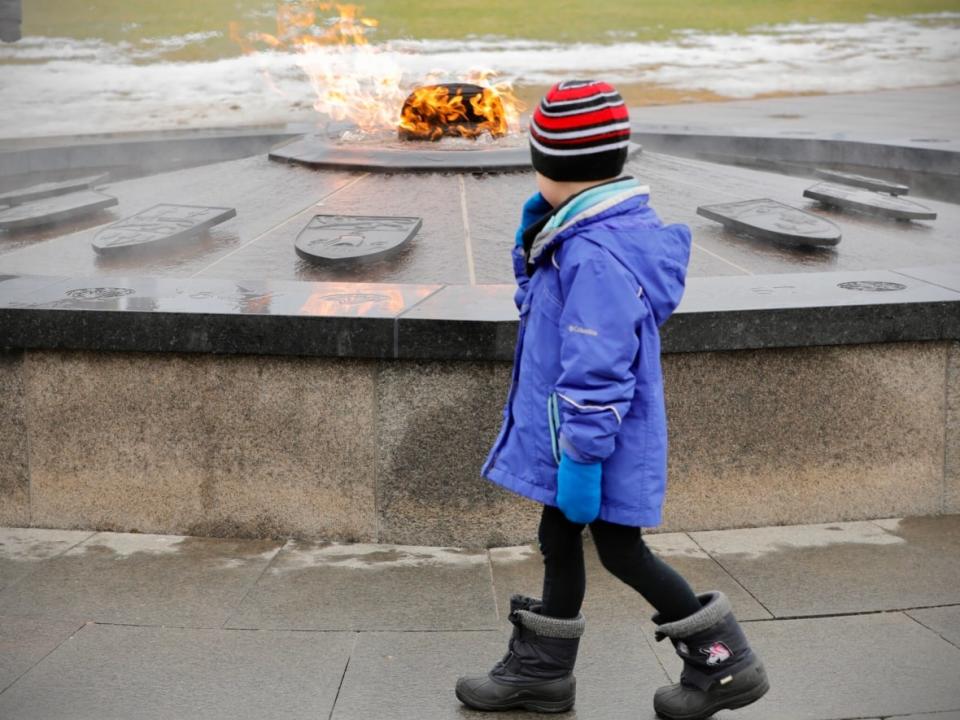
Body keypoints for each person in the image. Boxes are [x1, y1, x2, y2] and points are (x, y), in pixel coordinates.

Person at [455, 80, 769, 719]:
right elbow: (551, 318)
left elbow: (596, 365)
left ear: (557, 170)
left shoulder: (594, 254)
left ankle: (725, 662)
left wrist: (581, 460)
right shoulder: (587, 233)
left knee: (622, 549)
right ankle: (543, 675)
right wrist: (534, 242)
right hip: (580, 434)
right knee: (560, 538)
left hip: (593, 442)